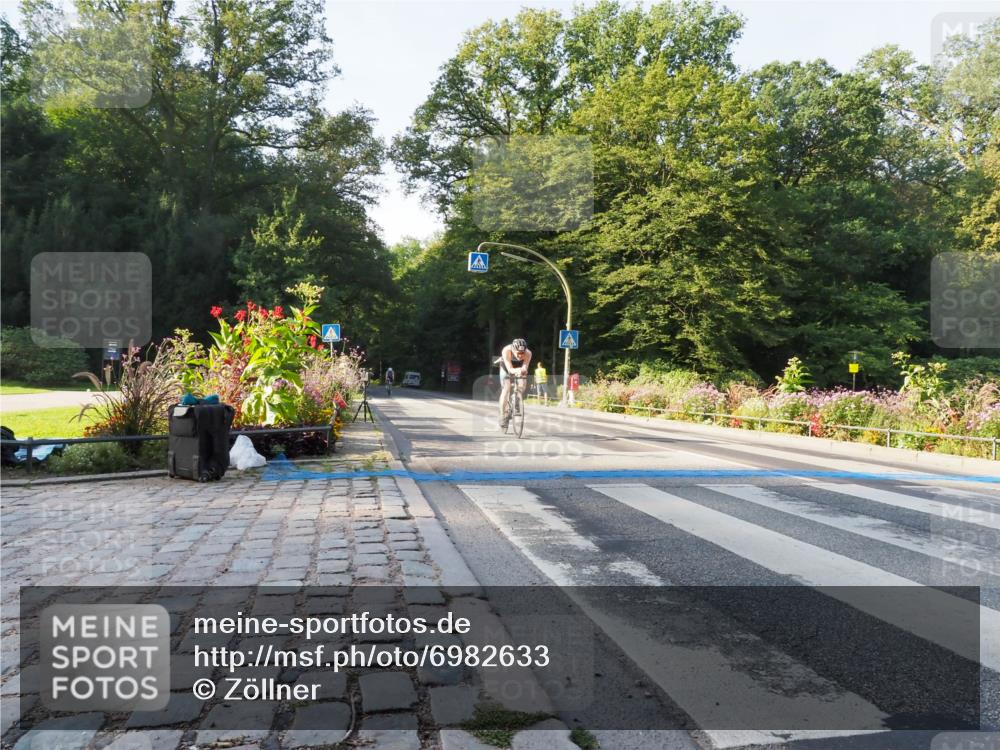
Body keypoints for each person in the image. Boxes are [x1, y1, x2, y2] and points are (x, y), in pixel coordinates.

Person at [498, 338, 532, 428]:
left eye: (522, 353)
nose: (520, 355)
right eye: (518, 353)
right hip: (506, 367)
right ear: (513, 350)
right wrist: (516, 370)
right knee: (506, 389)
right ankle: (502, 415)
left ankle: (516, 398)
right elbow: (509, 369)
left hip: (519, 367)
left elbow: (525, 367)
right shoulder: (506, 350)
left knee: (523, 383)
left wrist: (523, 371)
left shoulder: (528, 353)